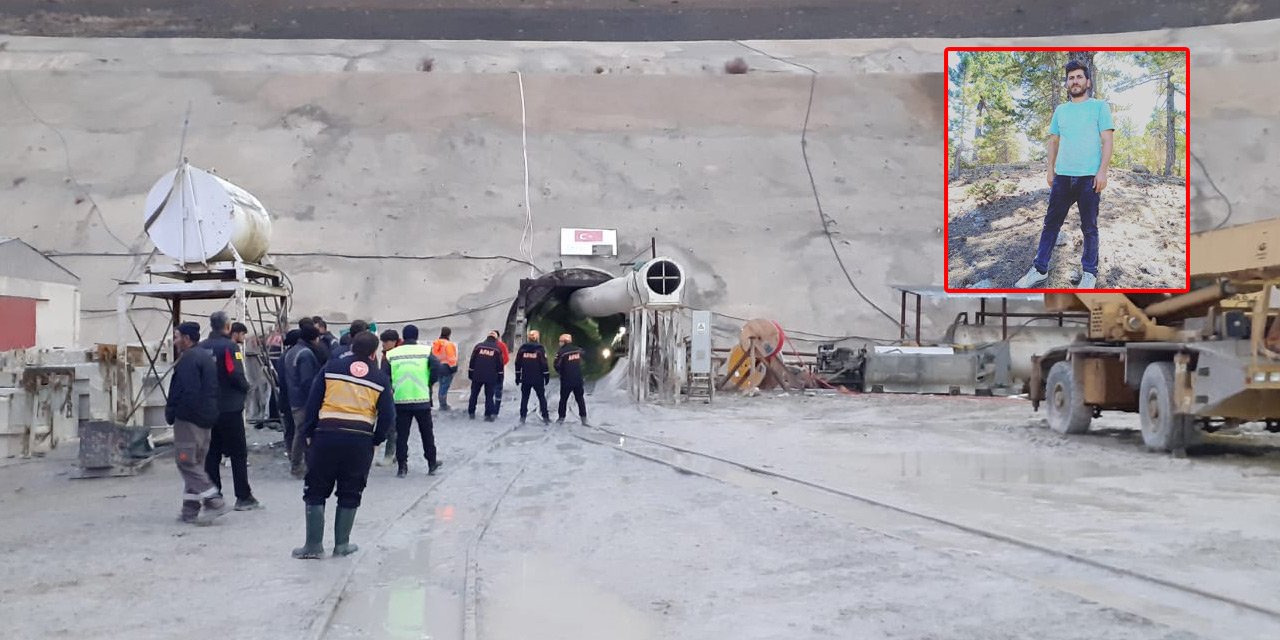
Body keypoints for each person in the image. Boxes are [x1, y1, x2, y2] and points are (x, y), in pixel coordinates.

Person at [292, 332, 395, 559]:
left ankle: (313, 546)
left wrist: (308, 432)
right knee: (350, 491)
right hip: (359, 441)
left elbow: (313, 402)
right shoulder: (379, 379)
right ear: (373, 353)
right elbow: (388, 416)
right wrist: (376, 440)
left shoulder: (331, 368)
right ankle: (342, 545)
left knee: (316, 490)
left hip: (326, 436)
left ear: (350, 347)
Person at [1015, 59, 1115, 290]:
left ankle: (1089, 273)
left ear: (1087, 81)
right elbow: (1053, 140)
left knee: (1089, 227)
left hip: (1089, 178)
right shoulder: (1061, 110)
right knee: (1051, 224)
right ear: (1067, 83)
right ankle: (1040, 269)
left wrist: (1102, 172)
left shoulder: (1100, 106)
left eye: (1079, 76)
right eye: (1071, 78)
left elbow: (1107, 140)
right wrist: (1050, 169)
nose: (1075, 81)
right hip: (1062, 178)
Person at [166, 321, 229, 525]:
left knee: (185, 461)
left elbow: (187, 392)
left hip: (189, 421)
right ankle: (190, 510)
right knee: (197, 462)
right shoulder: (205, 356)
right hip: (206, 419)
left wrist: (177, 413)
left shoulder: (189, 360)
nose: (174, 341)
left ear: (186, 339)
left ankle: (214, 501)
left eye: (176, 337)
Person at [200, 311, 262, 511]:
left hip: (209, 408)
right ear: (227, 327)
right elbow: (233, 373)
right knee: (237, 453)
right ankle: (243, 496)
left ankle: (213, 495)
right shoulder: (229, 347)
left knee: (212, 454)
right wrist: (246, 387)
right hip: (230, 408)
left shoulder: (201, 348)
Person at [385, 325, 442, 477]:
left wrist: (392, 386)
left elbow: (385, 376)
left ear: (402, 337)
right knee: (427, 433)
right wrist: (429, 382)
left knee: (402, 435)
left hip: (400, 399)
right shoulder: (425, 351)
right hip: (421, 398)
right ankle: (431, 463)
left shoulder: (392, 354)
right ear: (416, 336)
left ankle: (402, 466)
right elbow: (437, 367)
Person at [284, 322, 322, 477]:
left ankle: (300, 464)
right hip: (303, 400)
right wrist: (315, 399)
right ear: (314, 338)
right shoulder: (305, 354)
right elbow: (307, 381)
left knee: (299, 432)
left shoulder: (292, 351)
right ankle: (297, 466)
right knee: (302, 433)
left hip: (293, 397)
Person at [375, 329, 402, 467]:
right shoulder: (388, 354)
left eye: (385, 342)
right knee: (396, 425)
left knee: (392, 425)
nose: (383, 345)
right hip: (396, 393)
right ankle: (399, 452)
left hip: (395, 393)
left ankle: (390, 454)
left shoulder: (393, 356)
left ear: (393, 342)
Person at [515, 329, 551, 425]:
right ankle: (545, 416)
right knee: (541, 397)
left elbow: (517, 363)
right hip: (538, 378)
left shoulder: (522, 349)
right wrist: (546, 376)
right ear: (537, 338)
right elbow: (544, 364)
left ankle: (523, 417)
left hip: (526, 377)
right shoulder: (540, 349)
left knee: (525, 398)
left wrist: (517, 376)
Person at [467, 333, 504, 421]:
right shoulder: (497, 349)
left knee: (474, 394)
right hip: (490, 376)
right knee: (489, 396)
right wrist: (500, 377)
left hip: (477, 375)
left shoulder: (478, 347)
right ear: (495, 339)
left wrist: (470, 373)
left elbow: (472, 361)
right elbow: (500, 365)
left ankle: (471, 412)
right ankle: (488, 415)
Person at [554, 333, 588, 426]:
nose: (559, 343)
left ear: (564, 342)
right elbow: (585, 357)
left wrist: (561, 372)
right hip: (578, 379)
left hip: (566, 380)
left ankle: (561, 418)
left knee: (563, 399)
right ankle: (583, 418)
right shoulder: (577, 350)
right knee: (580, 399)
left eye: (560, 341)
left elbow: (556, 365)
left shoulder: (561, 352)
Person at [274, 329, 299, 450]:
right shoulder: (296, 355)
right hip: (293, 398)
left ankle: (290, 452)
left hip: (285, 397)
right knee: (296, 430)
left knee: (289, 429)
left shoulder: (284, 356)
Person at [431, 327, 459, 411]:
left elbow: (433, 356)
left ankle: (441, 403)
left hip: (437, 367)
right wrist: (454, 368)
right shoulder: (448, 344)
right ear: (449, 334)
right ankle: (443, 405)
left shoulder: (436, 343)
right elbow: (451, 358)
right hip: (447, 368)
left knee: (441, 385)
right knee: (445, 386)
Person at [490, 329, 510, 414]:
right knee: (497, 390)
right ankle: (495, 410)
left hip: (490, 371)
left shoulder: (487, 345)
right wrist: (500, 366)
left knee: (490, 390)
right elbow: (506, 358)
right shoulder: (502, 345)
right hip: (499, 371)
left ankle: (491, 409)